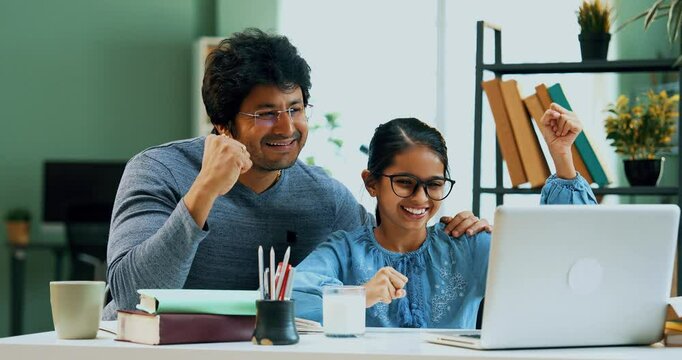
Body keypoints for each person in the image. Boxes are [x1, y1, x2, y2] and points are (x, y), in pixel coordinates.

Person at [103, 29, 489, 319]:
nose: (288, 128)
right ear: (222, 123)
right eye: (267, 113)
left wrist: (456, 230)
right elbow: (129, 297)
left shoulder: (326, 198)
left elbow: (388, 244)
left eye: (296, 108)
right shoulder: (158, 171)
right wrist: (203, 192)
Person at [293, 109, 597, 328]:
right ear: (372, 183)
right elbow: (291, 300)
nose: (421, 198)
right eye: (405, 182)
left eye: (434, 184)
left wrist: (561, 156)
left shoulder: (468, 245)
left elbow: (565, 258)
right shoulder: (345, 251)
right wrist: (358, 296)